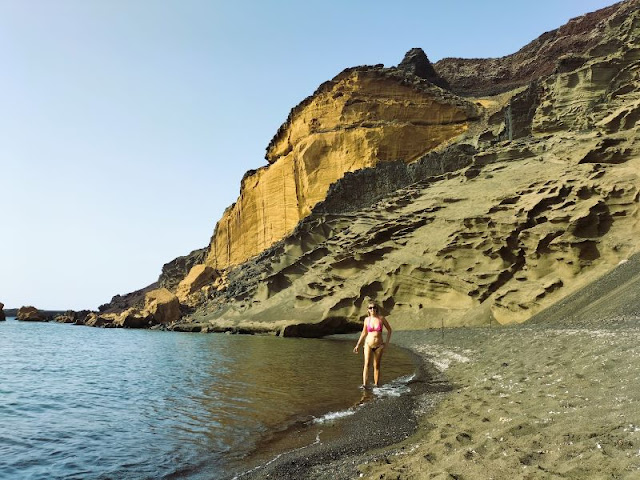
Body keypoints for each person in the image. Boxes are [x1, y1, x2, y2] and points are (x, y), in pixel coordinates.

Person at [353, 303, 392, 388]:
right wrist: (358, 345)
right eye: (370, 308)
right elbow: (364, 333)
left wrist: (386, 344)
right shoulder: (367, 320)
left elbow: (389, 330)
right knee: (366, 364)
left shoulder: (381, 318)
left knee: (377, 365)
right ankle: (364, 385)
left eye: (374, 307)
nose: (372, 309)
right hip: (368, 344)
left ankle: (376, 385)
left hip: (379, 345)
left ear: (376, 309)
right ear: (368, 310)